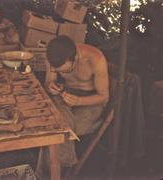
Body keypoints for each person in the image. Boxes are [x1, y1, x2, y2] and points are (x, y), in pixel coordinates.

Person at [35, 35, 109, 178]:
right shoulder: (52, 56)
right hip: (66, 94)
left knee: (56, 130)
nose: (60, 73)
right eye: (57, 70)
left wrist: (79, 101)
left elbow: (103, 97)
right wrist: (51, 87)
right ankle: (61, 171)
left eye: (65, 71)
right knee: (56, 127)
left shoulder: (95, 59)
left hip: (91, 102)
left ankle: (48, 175)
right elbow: (49, 81)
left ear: (75, 58)